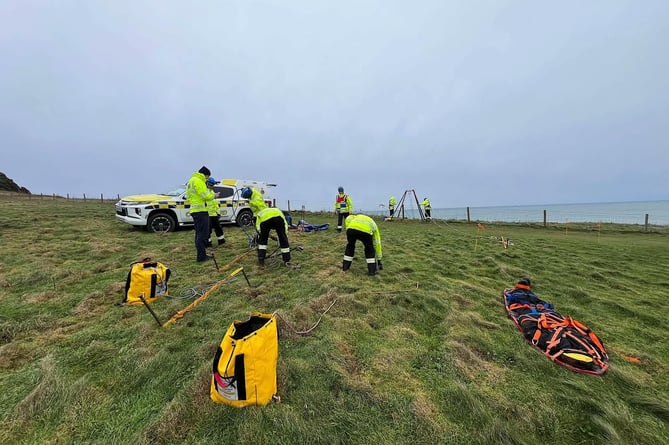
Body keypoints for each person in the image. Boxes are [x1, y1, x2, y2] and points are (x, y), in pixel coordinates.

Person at [240, 186, 291, 266]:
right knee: (283, 239)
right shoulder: (278, 212)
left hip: (264, 220)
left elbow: (258, 226)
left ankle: (261, 260)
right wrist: (285, 234)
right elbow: (285, 225)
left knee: (263, 240)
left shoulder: (260, 211)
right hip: (277, 220)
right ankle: (287, 260)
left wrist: (261, 234)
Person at [186, 166, 218, 262]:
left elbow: (189, 196)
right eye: (207, 177)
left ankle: (201, 254)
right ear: (205, 174)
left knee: (198, 233)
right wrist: (214, 195)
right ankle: (201, 257)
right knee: (202, 235)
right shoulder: (199, 181)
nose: (207, 179)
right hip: (201, 211)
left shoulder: (191, 181)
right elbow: (206, 195)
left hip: (194, 210)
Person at [205, 177, 225, 247]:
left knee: (218, 228)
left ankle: (221, 242)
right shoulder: (205, 192)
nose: (212, 187)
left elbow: (215, 203)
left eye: (213, 185)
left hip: (214, 214)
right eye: (211, 185)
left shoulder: (211, 192)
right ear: (207, 184)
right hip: (207, 214)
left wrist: (218, 212)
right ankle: (208, 244)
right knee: (208, 230)